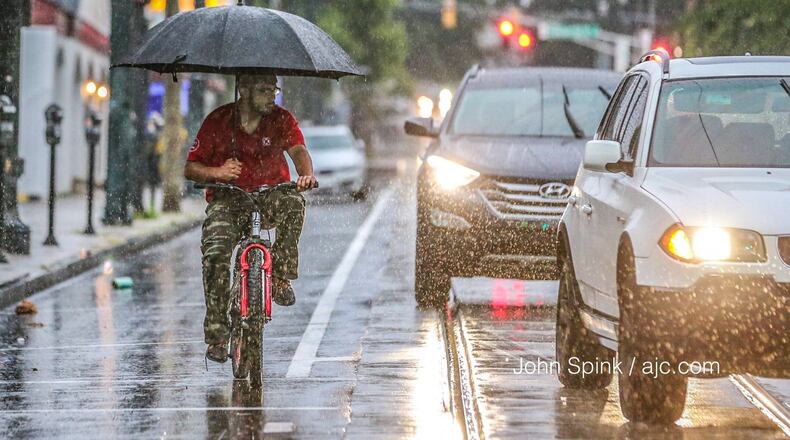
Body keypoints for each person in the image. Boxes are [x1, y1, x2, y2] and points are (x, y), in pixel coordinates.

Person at [184, 74, 317, 363]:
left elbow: (298, 150)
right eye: (264, 89)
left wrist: (306, 174)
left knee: (294, 203)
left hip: (270, 196)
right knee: (216, 252)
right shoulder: (217, 121)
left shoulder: (282, 119)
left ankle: (280, 276)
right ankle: (217, 335)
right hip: (229, 201)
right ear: (243, 90)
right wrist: (217, 173)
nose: (271, 95)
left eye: (274, 89)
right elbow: (191, 168)